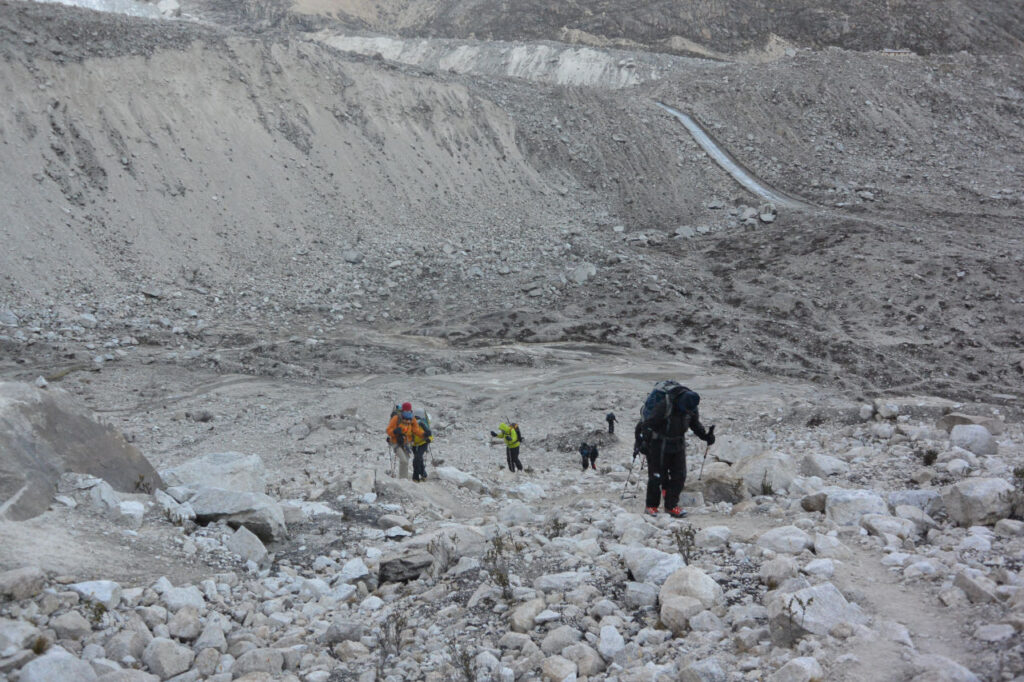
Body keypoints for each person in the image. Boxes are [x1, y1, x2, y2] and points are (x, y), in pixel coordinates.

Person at [634, 388, 714, 518]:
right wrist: (643, 442)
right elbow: (649, 424)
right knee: (657, 476)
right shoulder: (666, 404)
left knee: (680, 475)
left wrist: (705, 436)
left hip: (678, 443)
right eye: (686, 409)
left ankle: (671, 506)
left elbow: (695, 424)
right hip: (658, 444)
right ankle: (651, 506)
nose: (687, 411)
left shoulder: (691, 406)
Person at [386, 402, 426, 480]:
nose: (407, 412)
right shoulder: (396, 418)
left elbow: (416, 430)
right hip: (395, 442)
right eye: (406, 410)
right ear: (402, 410)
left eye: (409, 410)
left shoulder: (412, 419)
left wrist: (424, 434)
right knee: (404, 460)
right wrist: (394, 432)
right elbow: (388, 430)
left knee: (406, 461)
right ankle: (403, 479)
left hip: (407, 443)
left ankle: (403, 478)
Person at [410, 410, 433, 482]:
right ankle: (424, 475)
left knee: (416, 459)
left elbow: (429, 434)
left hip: (423, 443)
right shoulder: (411, 425)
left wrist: (429, 439)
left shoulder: (422, 424)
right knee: (419, 460)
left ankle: (415, 477)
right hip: (414, 445)